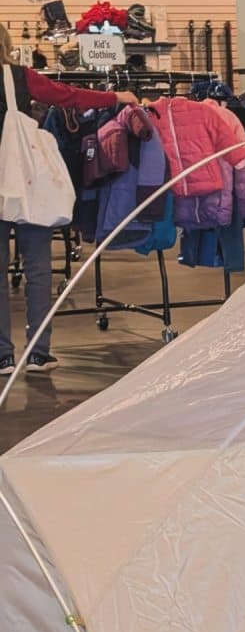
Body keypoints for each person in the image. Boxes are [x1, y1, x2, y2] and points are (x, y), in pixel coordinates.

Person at [0, 22, 138, 375]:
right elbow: (68, 96)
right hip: (27, 181)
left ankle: (2, 356)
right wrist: (115, 98)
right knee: (38, 267)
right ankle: (38, 353)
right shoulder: (18, 77)